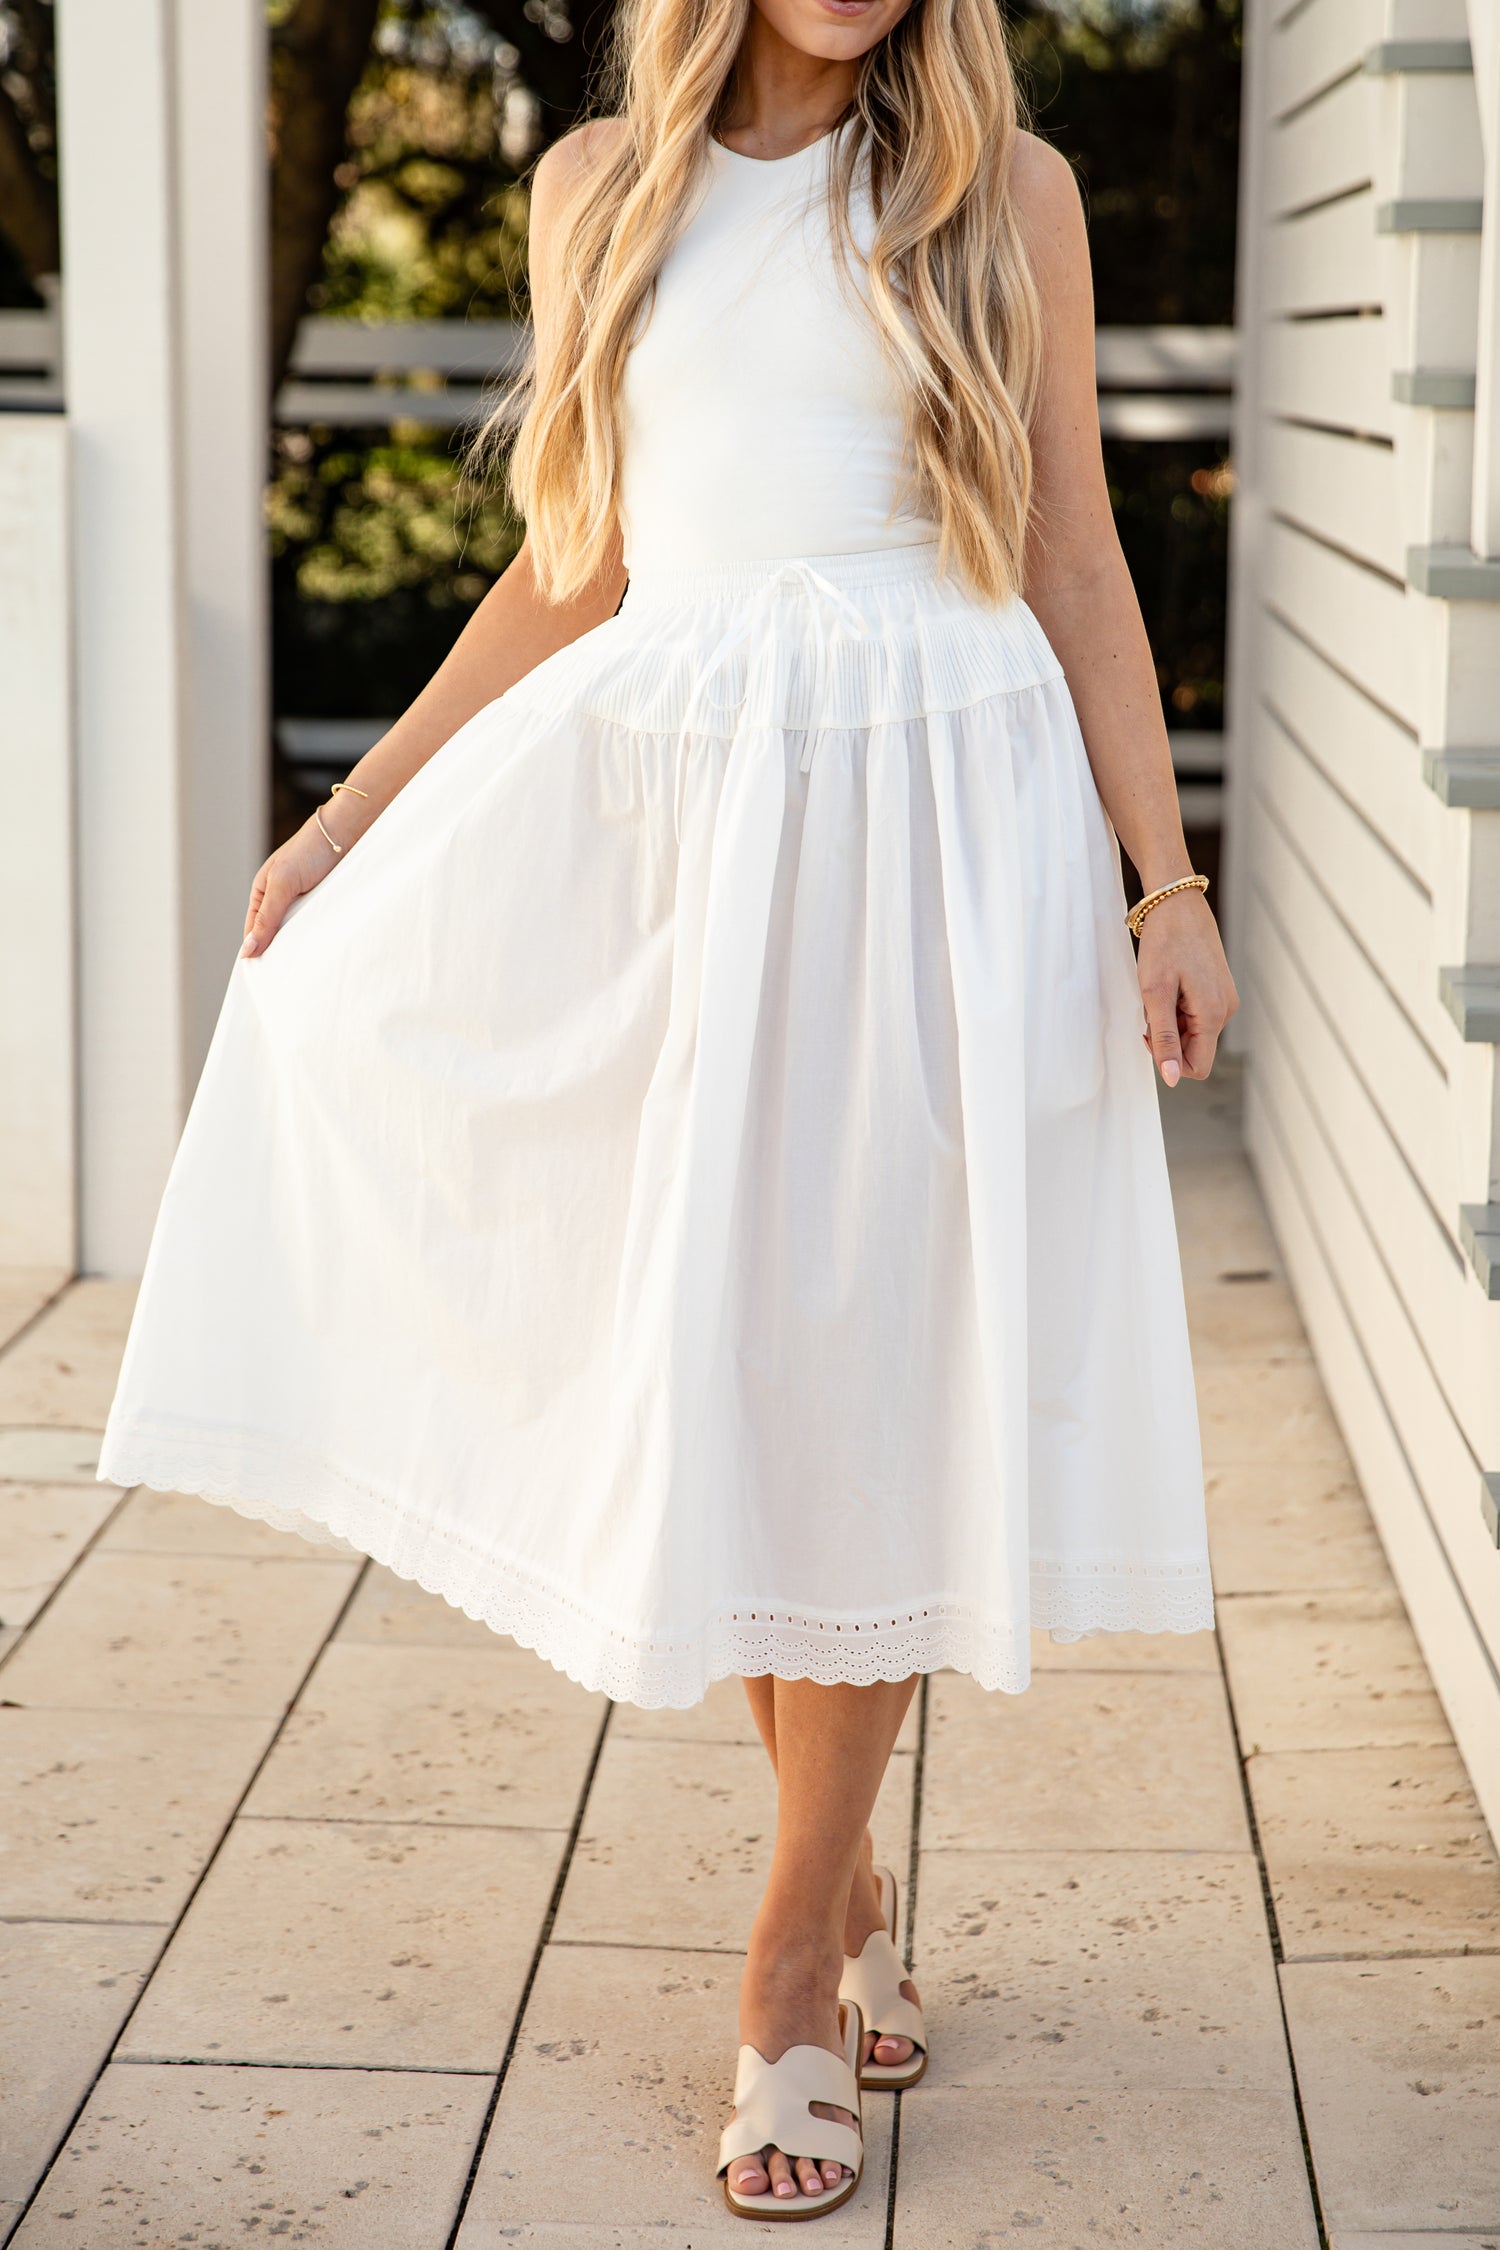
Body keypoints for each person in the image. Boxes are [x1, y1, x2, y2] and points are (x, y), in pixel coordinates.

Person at [100, 0, 1238, 2217]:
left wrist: (1165, 875)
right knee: (727, 1374)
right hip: (699, 845)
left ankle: (794, 1955)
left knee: (886, 1378)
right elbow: (578, 568)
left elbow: (1082, 549)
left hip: (949, 824)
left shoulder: (1007, 196)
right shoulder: (595, 192)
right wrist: (353, 817)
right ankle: (845, 1860)